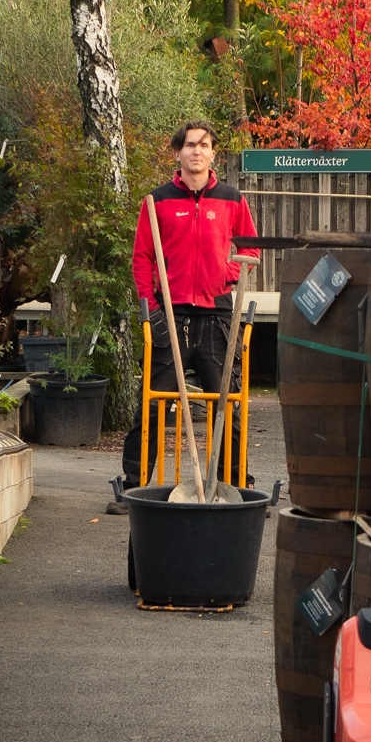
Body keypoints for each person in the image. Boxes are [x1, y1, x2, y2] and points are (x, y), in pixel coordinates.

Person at [107, 121, 260, 513]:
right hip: (170, 316)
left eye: (204, 145)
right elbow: (142, 259)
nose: (196, 151)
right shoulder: (156, 201)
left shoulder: (232, 199)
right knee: (153, 406)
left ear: (213, 154)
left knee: (227, 405)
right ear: (178, 153)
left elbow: (251, 253)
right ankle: (134, 487)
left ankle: (235, 487)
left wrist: (222, 275)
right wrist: (151, 309)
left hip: (217, 315)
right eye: (190, 145)